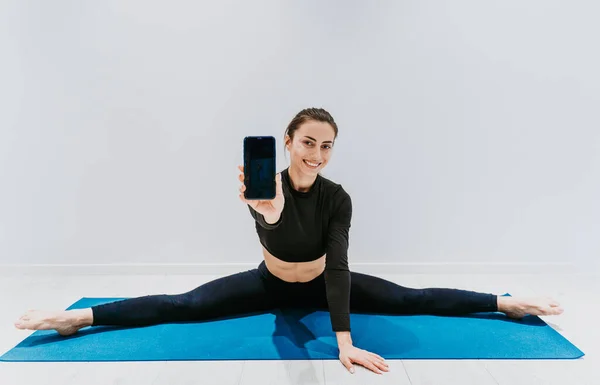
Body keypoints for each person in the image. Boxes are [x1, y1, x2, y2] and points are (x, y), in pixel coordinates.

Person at [15, 108, 564, 375]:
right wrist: (270, 216)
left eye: (326, 146)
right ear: (287, 141)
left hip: (325, 286)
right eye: (307, 142)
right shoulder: (266, 191)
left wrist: (344, 342)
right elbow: (275, 230)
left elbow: (340, 266)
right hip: (270, 285)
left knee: (410, 298)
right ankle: (78, 320)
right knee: (185, 306)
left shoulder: (338, 197)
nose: (317, 154)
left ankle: (504, 305)